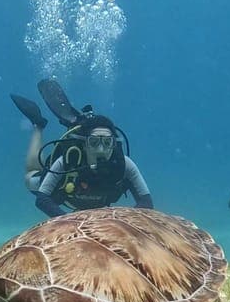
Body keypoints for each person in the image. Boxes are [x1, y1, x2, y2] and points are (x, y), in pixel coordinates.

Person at [13, 80, 153, 218]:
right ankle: (38, 126)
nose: (101, 149)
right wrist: (70, 222)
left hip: (92, 203)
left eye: (107, 142)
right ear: (84, 144)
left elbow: (146, 202)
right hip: (65, 195)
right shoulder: (69, 161)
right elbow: (42, 199)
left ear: (114, 144)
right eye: (94, 142)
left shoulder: (124, 164)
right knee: (30, 179)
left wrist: (122, 222)